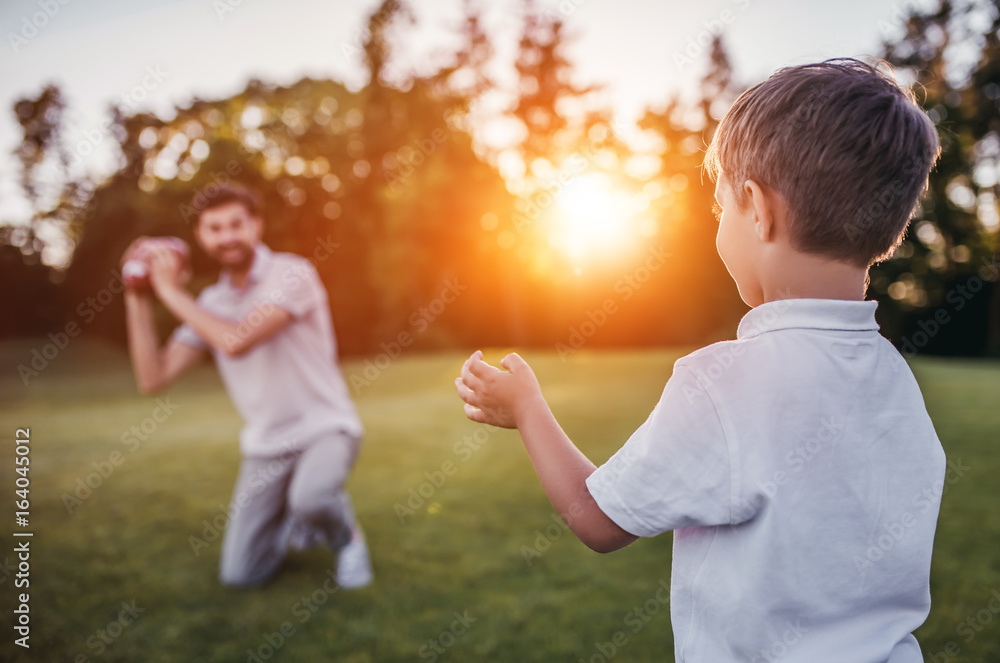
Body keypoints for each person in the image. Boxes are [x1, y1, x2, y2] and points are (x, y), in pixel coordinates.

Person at [455, 59, 946, 661]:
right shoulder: (896, 380)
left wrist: (528, 409)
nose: (719, 228)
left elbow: (600, 519)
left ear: (756, 209)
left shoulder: (722, 383)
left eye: (721, 210)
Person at [121, 183, 372, 589]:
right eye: (214, 228)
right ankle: (297, 515)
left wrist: (169, 289)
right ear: (201, 237)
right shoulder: (211, 302)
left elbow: (237, 340)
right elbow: (153, 378)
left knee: (313, 497)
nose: (227, 237)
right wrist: (138, 294)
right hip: (266, 444)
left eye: (236, 224)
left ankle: (347, 539)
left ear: (257, 225)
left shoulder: (292, 273)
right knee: (241, 575)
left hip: (325, 426)